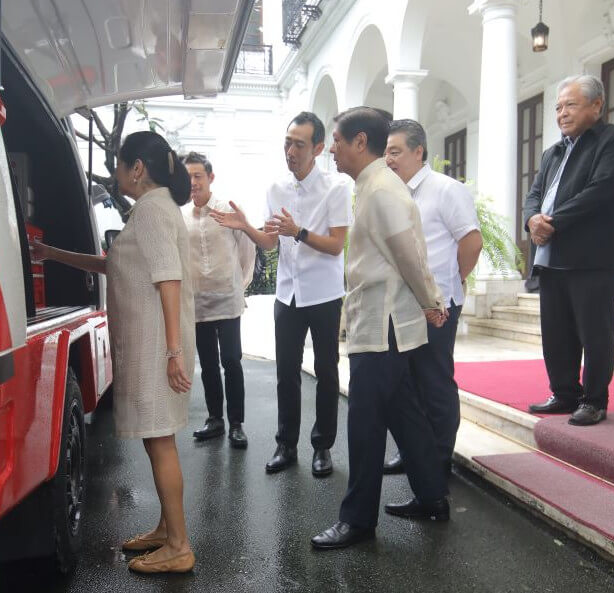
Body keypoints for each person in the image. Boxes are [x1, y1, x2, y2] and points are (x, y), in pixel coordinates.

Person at [31, 131, 196, 574]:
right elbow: (114, 265)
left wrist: (173, 352)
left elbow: (168, 279)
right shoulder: (153, 208)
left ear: (136, 169)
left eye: (120, 163)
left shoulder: (153, 210)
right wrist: (51, 254)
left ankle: (179, 547)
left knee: (160, 440)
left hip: (157, 346)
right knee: (157, 439)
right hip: (156, 344)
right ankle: (168, 529)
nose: (117, 171)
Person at [311, 107, 449, 551]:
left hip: (382, 321)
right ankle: (433, 496)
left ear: (359, 142)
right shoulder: (373, 186)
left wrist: (432, 302)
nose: (332, 149)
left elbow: (409, 255)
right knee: (404, 413)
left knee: (366, 421)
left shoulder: (381, 190)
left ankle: (357, 520)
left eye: (336, 140)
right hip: (379, 319)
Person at [210, 112, 352, 477]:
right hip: (287, 295)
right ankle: (286, 444)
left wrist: (299, 231)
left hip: (323, 294)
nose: (290, 151)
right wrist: (245, 227)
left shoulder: (336, 188)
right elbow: (271, 243)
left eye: (299, 145)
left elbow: (337, 245)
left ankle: (322, 447)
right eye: (287, 143)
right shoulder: (276, 189)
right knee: (286, 372)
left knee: (326, 371)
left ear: (317, 148)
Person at [525, 75, 614, 427]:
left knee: (595, 333)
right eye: (558, 107)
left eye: (570, 105)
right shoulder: (552, 152)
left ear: (596, 105)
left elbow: (602, 190)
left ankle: (594, 400)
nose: (562, 113)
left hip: (591, 257)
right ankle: (564, 393)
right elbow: (534, 194)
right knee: (556, 333)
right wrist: (531, 219)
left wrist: (552, 222)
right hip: (550, 257)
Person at [382, 119, 482, 476]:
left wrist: (452, 282)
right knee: (406, 384)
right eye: (386, 152)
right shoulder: (393, 194)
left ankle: (438, 461)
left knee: (434, 382)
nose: (388, 159)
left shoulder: (446, 190)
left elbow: (472, 241)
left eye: (395, 151)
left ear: (418, 151)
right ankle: (413, 453)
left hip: (435, 307)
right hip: (401, 305)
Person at [182, 152, 255, 448]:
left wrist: (239, 284)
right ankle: (215, 419)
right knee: (209, 364)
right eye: (188, 177)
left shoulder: (228, 210)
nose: (193, 182)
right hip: (197, 302)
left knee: (231, 360)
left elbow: (247, 250)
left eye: (198, 176)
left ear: (210, 178)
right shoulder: (181, 216)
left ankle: (236, 423)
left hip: (227, 299)